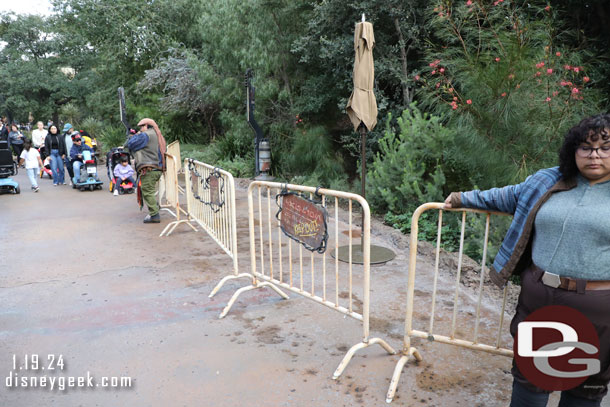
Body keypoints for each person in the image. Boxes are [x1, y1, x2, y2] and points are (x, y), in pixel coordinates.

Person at [444, 113, 610, 407]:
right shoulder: (549, 180)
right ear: (574, 150)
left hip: (598, 309)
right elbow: (506, 196)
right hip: (541, 298)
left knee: (584, 390)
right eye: (586, 146)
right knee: (531, 383)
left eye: (605, 147)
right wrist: (461, 198)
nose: (594, 155)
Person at [126, 118, 167, 223]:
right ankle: (155, 207)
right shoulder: (157, 134)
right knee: (150, 190)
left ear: (147, 126)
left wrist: (132, 136)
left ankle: (154, 215)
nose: (140, 129)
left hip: (150, 168)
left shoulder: (146, 135)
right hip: (157, 168)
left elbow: (130, 144)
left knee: (147, 191)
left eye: (142, 126)